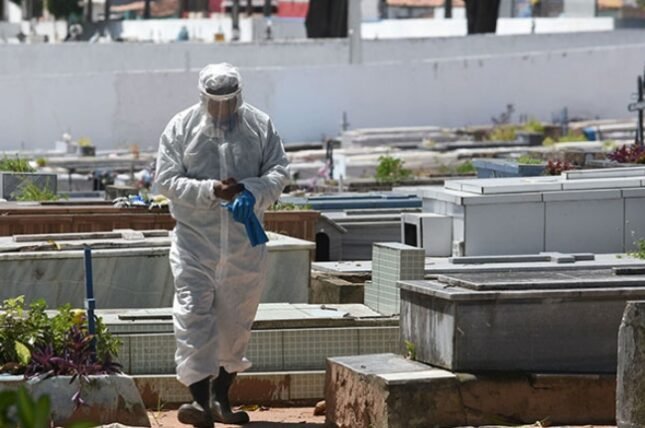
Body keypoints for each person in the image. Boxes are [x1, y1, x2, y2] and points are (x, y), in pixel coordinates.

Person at [154, 63, 289, 427]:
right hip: (194, 244)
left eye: (228, 101)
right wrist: (212, 191)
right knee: (192, 315)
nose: (221, 109)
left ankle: (220, 398)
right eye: (214, 101)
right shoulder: (181, 128)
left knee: (236, 322)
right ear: (202, 98)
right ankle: (198, 402)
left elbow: (278, 172)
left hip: (244, 247)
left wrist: (252, 192)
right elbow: (166, 180)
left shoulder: (260, 126)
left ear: (239, 97)